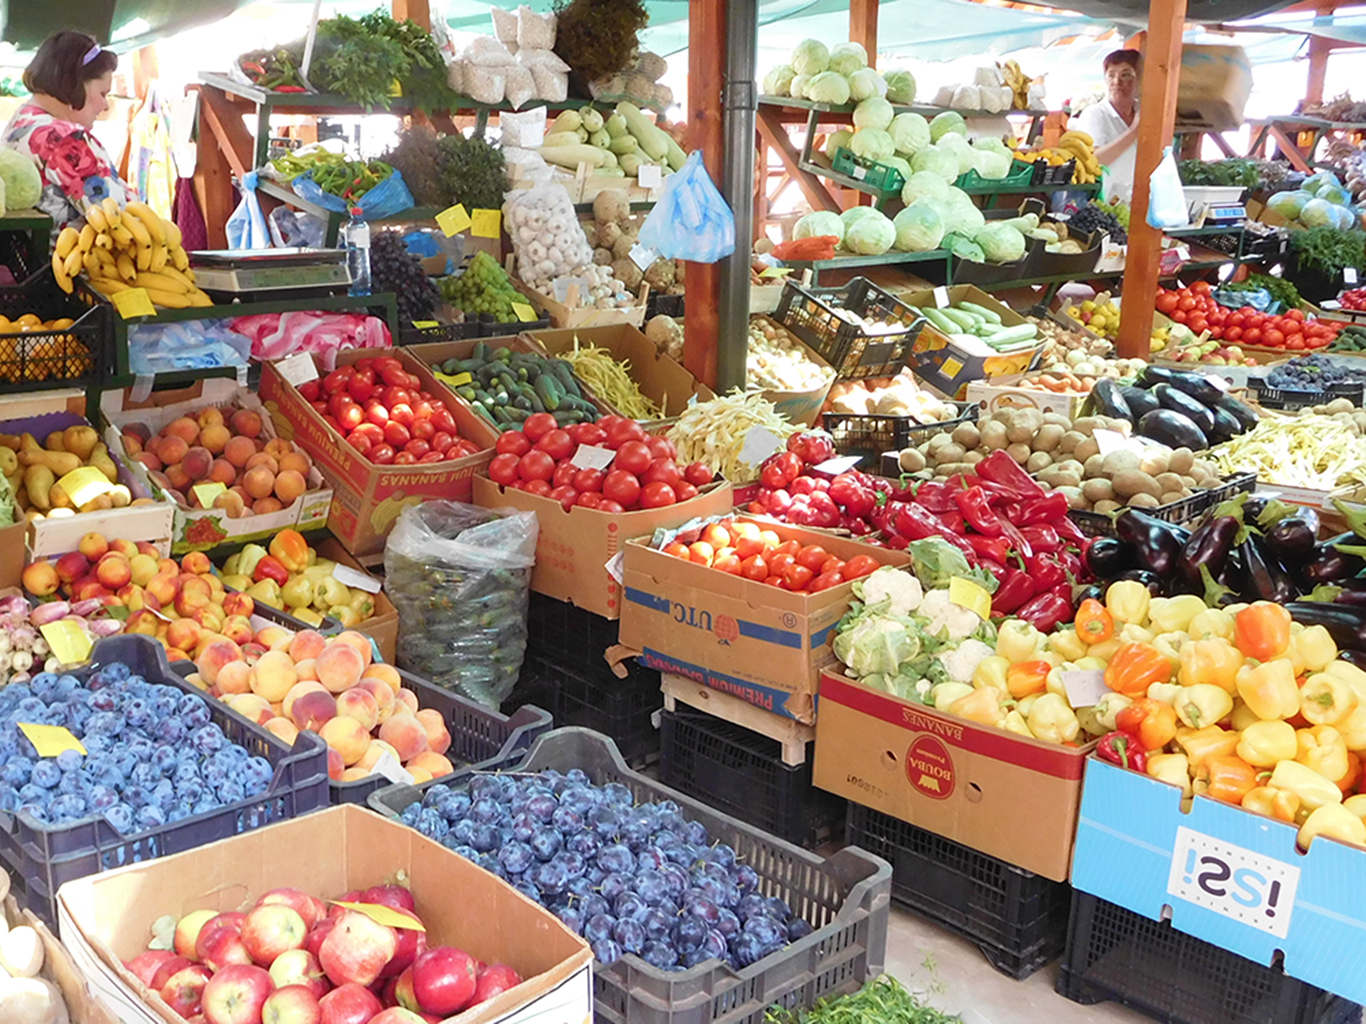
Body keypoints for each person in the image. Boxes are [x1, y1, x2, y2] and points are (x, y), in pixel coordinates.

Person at [3, 31, 135, 248]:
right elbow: (119, 223)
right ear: (75, 84)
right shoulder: (65, 139)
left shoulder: (21, 121)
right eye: (103, 93)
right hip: (74, 271)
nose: (105, 106)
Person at [1073, 49, 1141, 203]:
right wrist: (1133, 132)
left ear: (1140, 80)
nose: (1116, 82)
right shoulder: (1095, 115)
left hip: (1139, 203)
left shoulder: (1145, 113)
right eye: (1111, 75)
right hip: (1106, 204)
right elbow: (1094, 161)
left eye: (1125, 75)